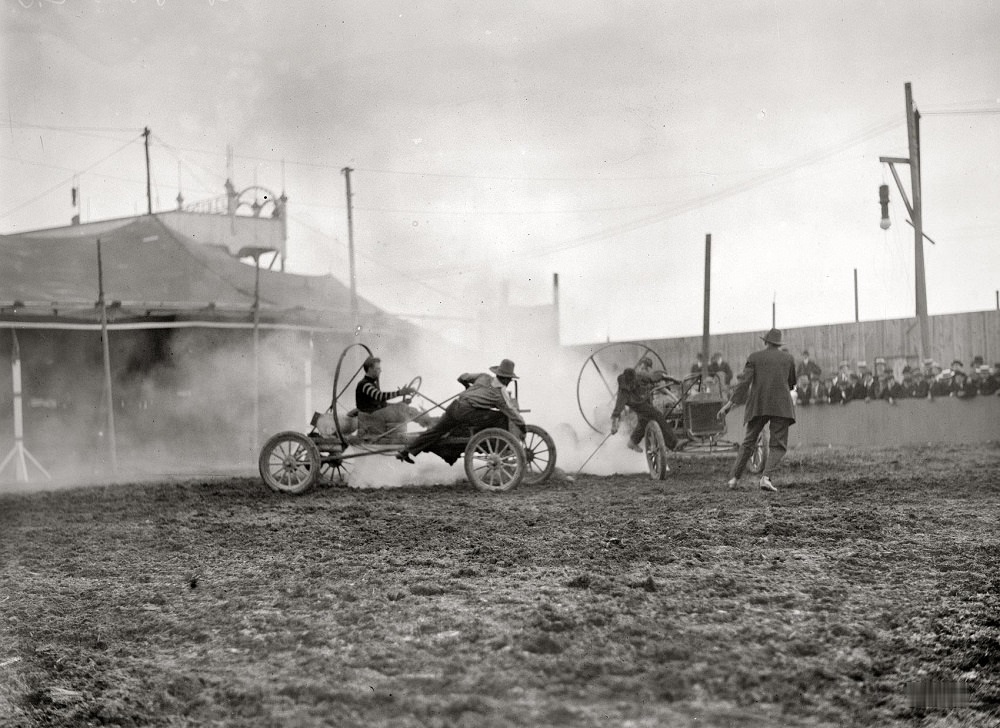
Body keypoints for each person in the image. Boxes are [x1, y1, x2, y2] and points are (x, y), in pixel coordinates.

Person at [396, 359, 525, 465]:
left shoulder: (483, 377)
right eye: (509, 379)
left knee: (436, 431)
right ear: (507, 379)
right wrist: (523, 427)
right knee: (501, 417)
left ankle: (405, 452)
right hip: (466, 412)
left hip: (454, 407)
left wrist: (468, 388)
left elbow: (462, 377)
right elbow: (511, 412)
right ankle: (499, 449)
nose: (509, 382)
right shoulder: (500, 394)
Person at [717, 328, 797, 492]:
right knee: (778, 445)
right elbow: (791, 384)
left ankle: (733, 479)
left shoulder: (754, 357)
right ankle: (765, 478)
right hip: (781, 405)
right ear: (779, 343)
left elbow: (744, 384)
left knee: (748, 442)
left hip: (758, 404)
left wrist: (729, 405)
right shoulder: (788, 359)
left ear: (765, 342)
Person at [354, 356, 429, 440]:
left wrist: (401, 402)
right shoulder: (365, 384)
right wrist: (401, 392)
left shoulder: (370, 384)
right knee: (404, 409)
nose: (380, 371)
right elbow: (380, 396)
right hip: (371, 416)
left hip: (375, 414)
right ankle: (429, 423)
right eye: (378, 368)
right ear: (370, 369)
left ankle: (427, 422)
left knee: (402, 406)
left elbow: (381, 403)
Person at [610, 366, 680, 453]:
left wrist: (673, 379)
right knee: (657, 415)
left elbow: (656, 376)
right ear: (627, 382)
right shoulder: (623, 392)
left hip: (645, 399)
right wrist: (614, 426)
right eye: (631, 384)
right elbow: (617, 409)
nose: (633, 385)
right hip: (637, 405)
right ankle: (674, 443)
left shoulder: (640, 377)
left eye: (634, 382)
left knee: (644, 420)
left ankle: (633, 441)